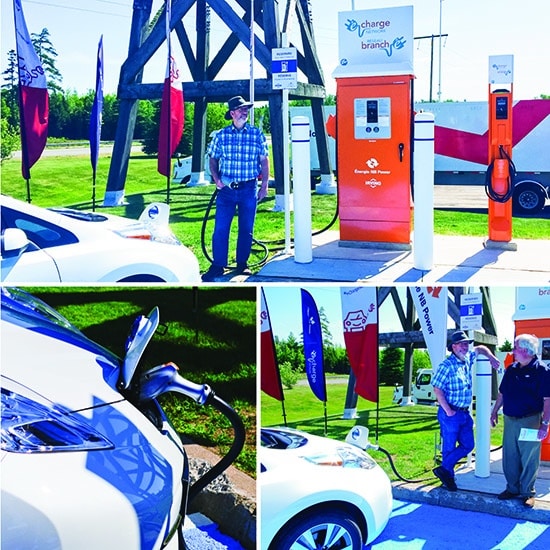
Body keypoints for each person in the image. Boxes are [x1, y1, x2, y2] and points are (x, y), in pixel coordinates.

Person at [201, 96, 270, 282]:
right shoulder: (221, 136)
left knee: (246, 228)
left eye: (246, 109)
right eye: (241, 109)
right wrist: (216, 179)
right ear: (232, 113)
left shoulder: (256, 134)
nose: (245, 112)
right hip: (226, 191)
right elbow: (213, 158)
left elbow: (264, 161)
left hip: (249, 188)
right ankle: (218, 266)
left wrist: (264, 186)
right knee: (221, 228)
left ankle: (242, 264)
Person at [432, 330, 500, 491]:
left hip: (464, 413)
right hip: (450, 414)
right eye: (462, 344)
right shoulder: (446, 366)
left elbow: (481, 348)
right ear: (453, 347)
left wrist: (491, 357)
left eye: (466, 344)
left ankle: (444, 469)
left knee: (468, 445)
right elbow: (437, 390)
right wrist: (448, 411)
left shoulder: (467, 358)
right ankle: (448, 479)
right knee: (448, 446)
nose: (465, 346)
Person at [490, 333, 550, 508]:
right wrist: (494, 412)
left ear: (526, 350)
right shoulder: (512, 369)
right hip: (510, 419)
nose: (513, 351)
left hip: (530, 420)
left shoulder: (542, 371)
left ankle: (527, 492)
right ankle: (512, 488)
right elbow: (502, 393)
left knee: (529, 457)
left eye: (515, 347)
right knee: (510, 456)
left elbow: (548, 400)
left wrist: (545, 424)